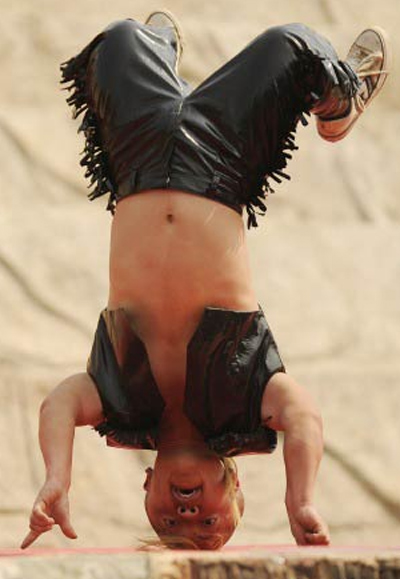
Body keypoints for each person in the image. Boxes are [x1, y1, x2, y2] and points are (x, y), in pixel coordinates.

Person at [20, 11, 390, 550]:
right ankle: (342, 100)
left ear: (147, 487)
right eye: (211, 524)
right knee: (290, 46)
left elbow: (57, 404)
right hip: (221, 163)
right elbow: (302, 415)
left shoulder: (120, 405)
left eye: (168, 525)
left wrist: (57, 476)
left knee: (118, 41)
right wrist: (300, 500)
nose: (188, 515)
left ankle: (158, 54)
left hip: (137, 159)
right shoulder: (246, 406)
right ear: (235, 485)